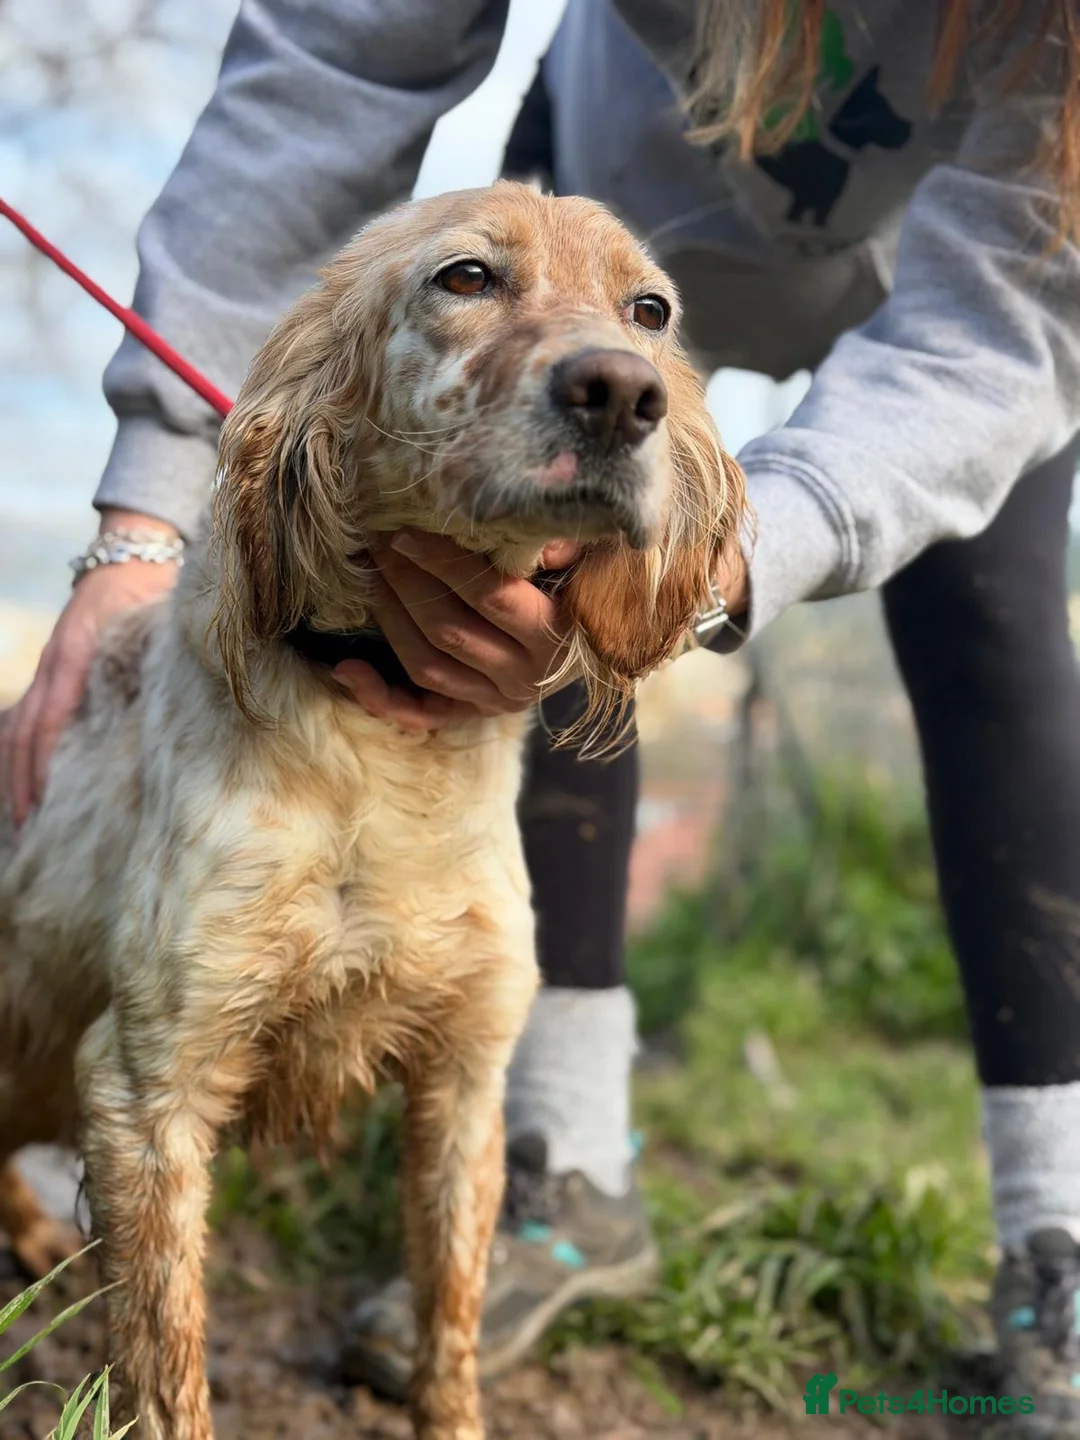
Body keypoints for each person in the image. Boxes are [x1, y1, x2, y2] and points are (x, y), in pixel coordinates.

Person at [3, 0, 1080, 1428]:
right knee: (531, 619)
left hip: (964, 271)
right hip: (613, 161)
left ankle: (1054, 1234)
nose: (611, 361)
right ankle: (568, 1172)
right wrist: (149, 502)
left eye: (638, 334)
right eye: (466, 281)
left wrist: (718, 569)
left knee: (999, 617)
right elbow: (331, 61)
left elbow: (999, 335)